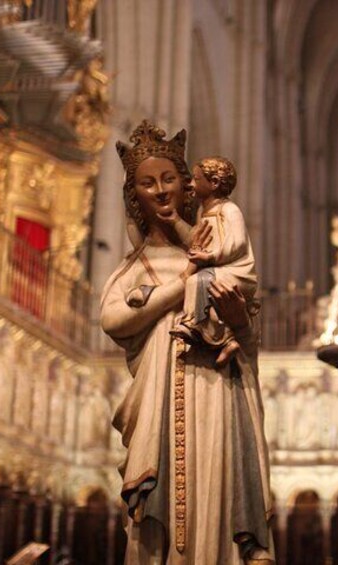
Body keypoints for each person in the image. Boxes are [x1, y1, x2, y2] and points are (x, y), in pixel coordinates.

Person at [101, 121, 274, 564]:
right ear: (134, 194)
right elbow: (113, 317)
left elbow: (246, 345)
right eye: (147, 183)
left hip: (216, 397)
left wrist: (237, 322)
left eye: (169, 179)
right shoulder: (137, 264)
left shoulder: (218, 256)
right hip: (158, 402)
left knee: (215, 488)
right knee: (159, 502)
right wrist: (182, 287)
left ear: (188, 186)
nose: (160, 191)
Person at [170, 156, 259, 368]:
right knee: (201, 284)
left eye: (196, 179)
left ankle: (195, 325)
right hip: (217, 270)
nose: (191, 183)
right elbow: (197, 237)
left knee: (199, 281)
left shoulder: (230, 210)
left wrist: (210, 257)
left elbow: (237, 244)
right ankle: (223, 340)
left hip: (237, 270)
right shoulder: (204, 211)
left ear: (215, 183)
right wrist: (174, 221)